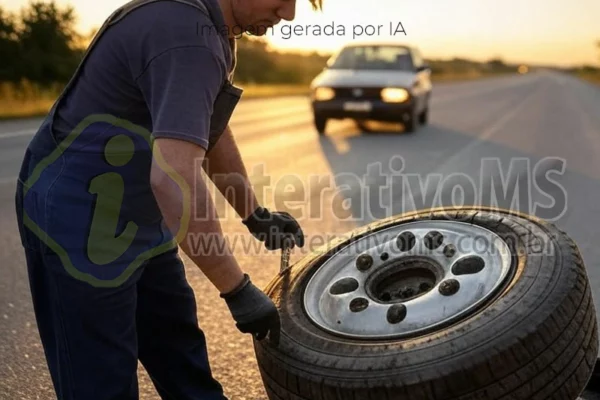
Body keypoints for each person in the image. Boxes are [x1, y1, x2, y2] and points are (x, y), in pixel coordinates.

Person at [14, 0, 322, 398]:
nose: (289, 14)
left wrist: (254, 213)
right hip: (78, 224)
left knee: (181, 357)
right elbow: (174, 179)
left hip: (140, 215)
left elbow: (206, 127)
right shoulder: (186, 36)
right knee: (101, 382)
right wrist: (236, 289)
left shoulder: (214, 27)